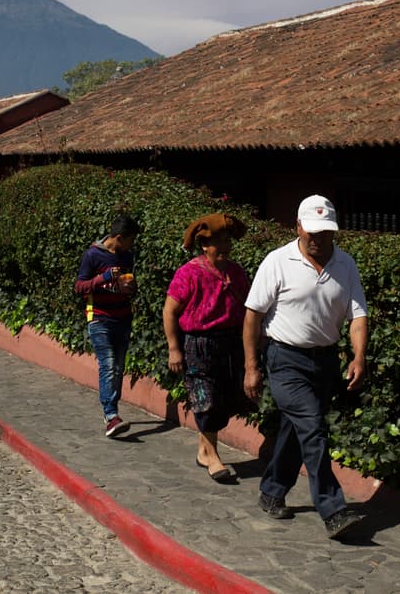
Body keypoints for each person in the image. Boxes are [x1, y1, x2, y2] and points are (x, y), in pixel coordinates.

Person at [243, 194, 368, 540]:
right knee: (312, 428)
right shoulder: (277, 261)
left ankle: (271, 492)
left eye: (325, 232)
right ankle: (333, 509)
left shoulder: (346, 265)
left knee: (297, 430)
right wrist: (251, 366)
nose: (317, 238)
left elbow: (358, 315)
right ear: (297, 227)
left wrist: (359, 356)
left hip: (325, 361)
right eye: (311, 231)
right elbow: (253, 314)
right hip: (285, 360)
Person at [162, 213, 251, 484]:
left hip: (230, 343)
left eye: (227, 241)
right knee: (206, 400)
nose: (224, 247)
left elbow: (250, 308)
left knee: (222, 399)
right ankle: (213, 457)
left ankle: (203, 450)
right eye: (218, 242)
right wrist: (174, 348)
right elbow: (169, 311)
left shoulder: (235, 272)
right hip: (198, 344)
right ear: (204, 245)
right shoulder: (188, 273)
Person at [75, 214, 141, 438]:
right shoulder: (92, 255)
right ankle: (111, 415)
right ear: (119, 237)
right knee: (109, 364)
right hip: (99, 317)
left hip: (123, 317)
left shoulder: (127, 256)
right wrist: (102, 277)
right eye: (131, 240)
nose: (133, 245)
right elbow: (79, 287)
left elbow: (130, 289)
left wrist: (131, 287)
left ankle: (113, 413)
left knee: (119, 366)